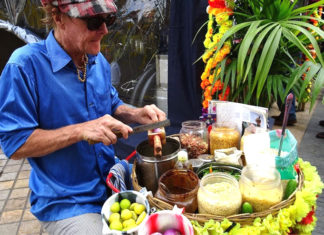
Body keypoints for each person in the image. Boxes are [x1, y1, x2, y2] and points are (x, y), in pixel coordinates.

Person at [0, 0, 166, 234]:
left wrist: (136, 114)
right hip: (68, 201)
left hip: (110, 180)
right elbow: (14, 143)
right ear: (58, 17)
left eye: (108, 20)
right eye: (94, 21)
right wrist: (80, 130)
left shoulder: (97, 61)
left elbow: (110, 102)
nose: (105, 30)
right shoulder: (24, 66)